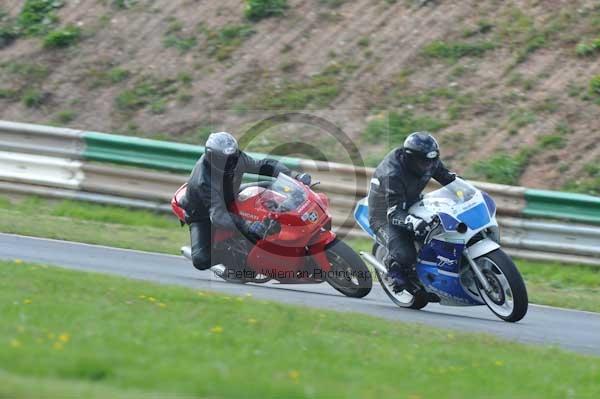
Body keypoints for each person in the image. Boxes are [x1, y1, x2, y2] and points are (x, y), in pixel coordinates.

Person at [180, 132, 311, 271]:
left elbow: (263, 165)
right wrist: (248, 225)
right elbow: (218, 216)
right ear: (212, 157)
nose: (230, 162)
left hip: (230, 196)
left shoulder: (236, 158)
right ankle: (235, 260)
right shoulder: (204, 181)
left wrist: (294, 177)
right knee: (201, 260)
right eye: (224, 159)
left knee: (268, 185)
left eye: (232, 157)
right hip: (203, 214)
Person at [367, 132, 456, 292]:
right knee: (405, 255)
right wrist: (413, 221)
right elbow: (392, 212)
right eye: (423, 162)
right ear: (410, 158)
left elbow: (448, 179)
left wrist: (466, 191)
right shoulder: (392, 174)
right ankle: (394, 270)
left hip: (412, 202)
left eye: (431, 161)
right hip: (383, 214)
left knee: (443, 227)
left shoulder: (429, 161)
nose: (428, 166)